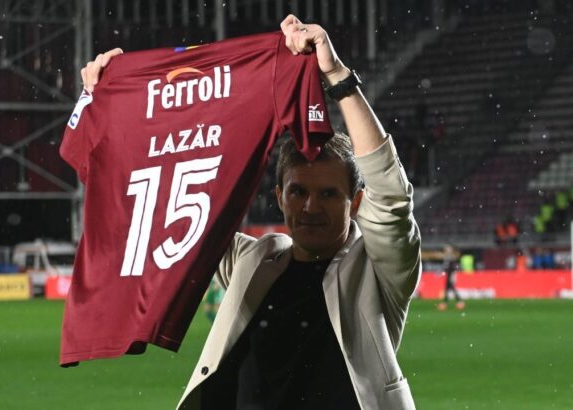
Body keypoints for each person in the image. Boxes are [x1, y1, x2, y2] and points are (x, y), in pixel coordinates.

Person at [81, 14, 421, 409]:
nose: (311, 206)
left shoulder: (378, 270)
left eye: (329, 194)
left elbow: (391, 197)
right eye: (298, 191)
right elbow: (152, 201)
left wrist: (337, 78)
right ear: (279, 196)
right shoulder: (254, 259)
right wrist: (110, 107)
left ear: (356, 202)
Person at [437, 244, 464, 311]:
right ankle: (450, 301)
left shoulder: (451, 257)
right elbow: (446, 266)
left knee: (450, 287)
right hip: (449, 274)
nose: (446, 250)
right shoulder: (448, 257)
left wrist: (453, 273)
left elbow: (452, 267)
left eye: (447, 249)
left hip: (451, 274)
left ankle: (455, 301)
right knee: (449, 288)